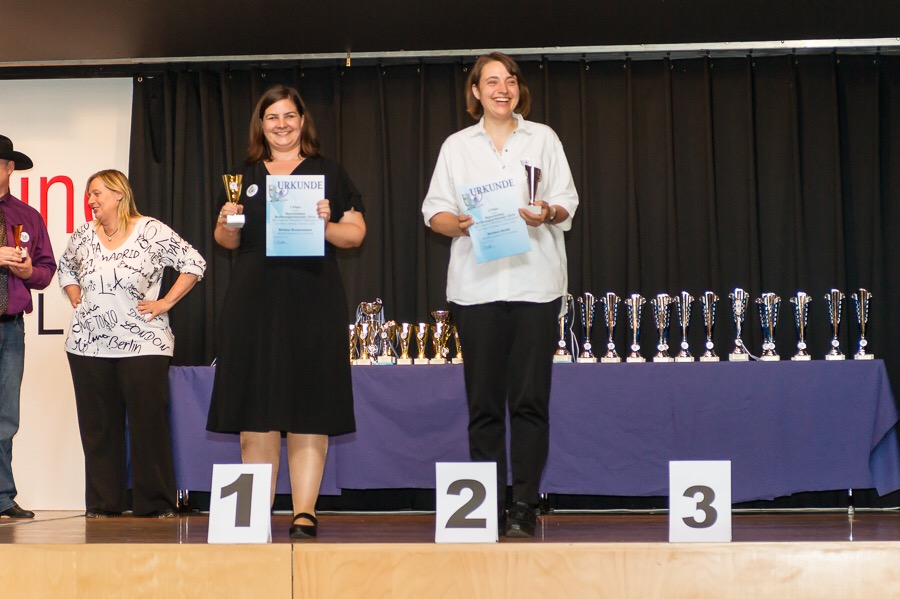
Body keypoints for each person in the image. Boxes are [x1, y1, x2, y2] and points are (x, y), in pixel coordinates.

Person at [422, 53, 579, 538]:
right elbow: (435, 213)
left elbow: (567, 203)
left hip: (535, 285)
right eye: (491, 81)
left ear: (518, 89)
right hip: (477, 290)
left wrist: (546, 211)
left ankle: (525, 505)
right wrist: (462, 223)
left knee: (531, 402)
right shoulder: (456, 146)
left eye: (509, 80)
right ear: (475, 91)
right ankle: (486, 506)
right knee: (484, 403)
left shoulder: (543, 138)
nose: (502, 88)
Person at [206, 84, 366, 540]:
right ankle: (254, 513)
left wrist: (325, 223)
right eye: (272, 117)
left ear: (302, 121)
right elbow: (228, 243)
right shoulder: (243, 174)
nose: (281, 124)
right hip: (253, 302)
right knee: (255, 407)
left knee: (309, 406)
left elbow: (354, 236)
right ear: (261, 125)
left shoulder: (328, 173)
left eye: (289, 116)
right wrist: (225, 224)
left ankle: (304, 514)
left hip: (313, 301)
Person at [58, 169, 206, 518]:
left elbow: (194, 263)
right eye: (89, 195)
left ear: (119, 194)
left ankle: (154, 504)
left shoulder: (150, 231)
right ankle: (103, 503)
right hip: (88, 346)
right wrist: (75, 293)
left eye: (97, 194)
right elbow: (66, 269)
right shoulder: (83, 235)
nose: (91, 201)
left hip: (143, 343)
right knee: (98, 428)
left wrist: (165, 302)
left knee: (147, 423)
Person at [0, 135, 56, 519]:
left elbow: (46, 270)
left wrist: (27, 271)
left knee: (6, 416)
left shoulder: (27, 215)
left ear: (8, 168)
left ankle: (2, 496)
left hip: (9, 328)